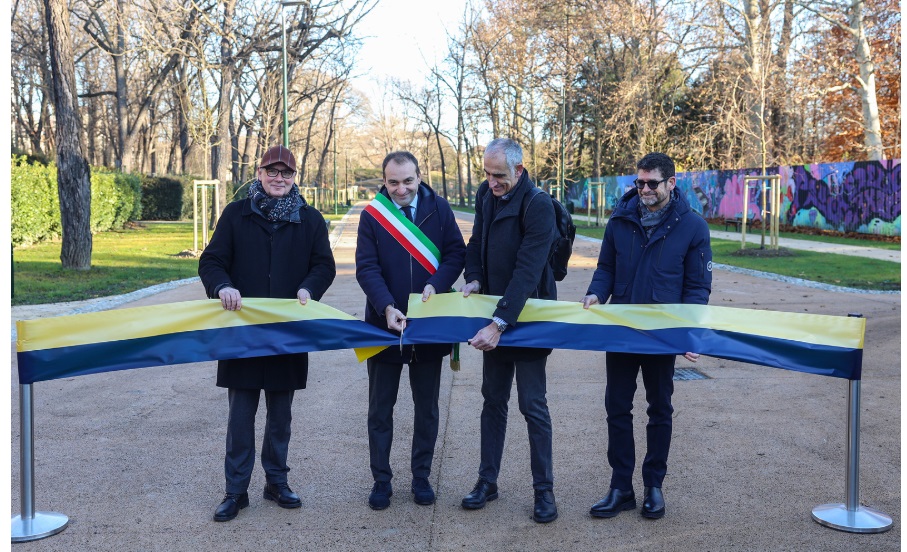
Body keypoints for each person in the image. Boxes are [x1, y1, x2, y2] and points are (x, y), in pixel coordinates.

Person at [198, 145, 336, 522]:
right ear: (259, 173)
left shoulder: (309, 219)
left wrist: (310, 288)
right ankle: (235, 490)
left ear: (295, 178)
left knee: (280, 415)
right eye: (272, 171)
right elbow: (211, 260)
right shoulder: (236, 214)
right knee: (240, 415)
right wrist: (221, 285)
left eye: (286, 173)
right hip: (241, 331)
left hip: (287, 334)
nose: (279, 178)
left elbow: (324, 266)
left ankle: (276, 481)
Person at [582, 152, 712, 520]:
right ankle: (620, 487)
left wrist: (689, 334)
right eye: (639, 183)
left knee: (660, 409)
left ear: (672, 183)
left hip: (661, 335)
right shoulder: (619, 220)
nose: (644, 189)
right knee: (617, 408)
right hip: (622, 331)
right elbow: (606, 267)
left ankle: (654, 485)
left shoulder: (692, 226)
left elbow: (697, 286)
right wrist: (596, 293)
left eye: (652, 183)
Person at [355, 151, 466, 510]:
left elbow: (455, 254)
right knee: (379, 410)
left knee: (427, 408)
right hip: (384, 326)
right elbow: (366, 267)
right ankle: (381, 482)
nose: (401, 189)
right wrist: (386, 306)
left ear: (420, 176)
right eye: (393, 182)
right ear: (383, 181)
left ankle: (421, 478)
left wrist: (437, 284)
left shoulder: (441, 208)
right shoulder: (373, 215)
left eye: (407, 180)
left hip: (429, 325)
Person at [460, 138, 559, 524]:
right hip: (494, 315)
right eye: (486, 173)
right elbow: (476, 243)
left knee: (532, 406)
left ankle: (544, 492)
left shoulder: (539, 206)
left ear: (519, 170)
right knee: (492, 401)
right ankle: (488, 481)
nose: (491, 181)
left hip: (527, 317)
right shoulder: (487, 194)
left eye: (498, 175)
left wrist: (499, 324)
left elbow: (528, 271)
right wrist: (474, 278)